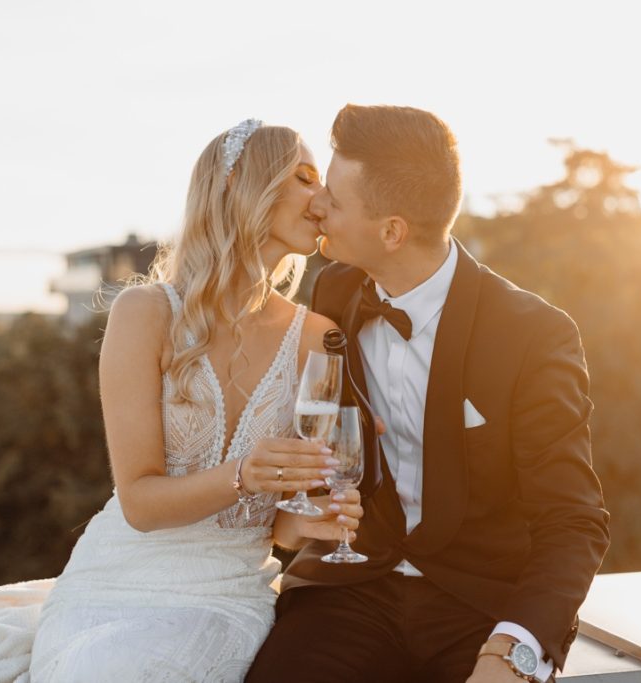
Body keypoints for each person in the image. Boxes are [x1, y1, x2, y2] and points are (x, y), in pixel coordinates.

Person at [0, 120, 363, 683]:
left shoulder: (315, 335)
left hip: (226, 594)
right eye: (306, 178)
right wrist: (245, 473)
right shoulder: (145, 313)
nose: (324, 198)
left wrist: (319, 519)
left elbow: (279, 529)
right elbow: (140, 503)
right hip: (112, 579)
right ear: (243, 186)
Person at [246, 105, 611, 683]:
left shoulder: (533, 334)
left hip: (480, 603)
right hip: (352, 587)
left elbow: (573, 520)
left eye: (335, 199)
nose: (317, 206)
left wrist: (514, 650)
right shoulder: (334, 290)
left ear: (392, 231)